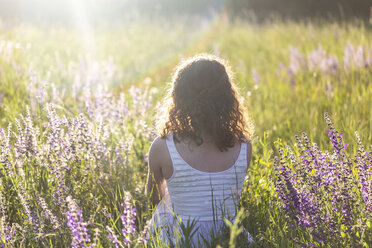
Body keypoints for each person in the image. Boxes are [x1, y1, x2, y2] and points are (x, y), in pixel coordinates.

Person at [146, 54, 254, 247]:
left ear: (178, 98)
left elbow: (154, 197)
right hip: (227, 237)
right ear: (228, 97)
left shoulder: (162, 147)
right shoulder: (244, 145)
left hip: (182, 238)